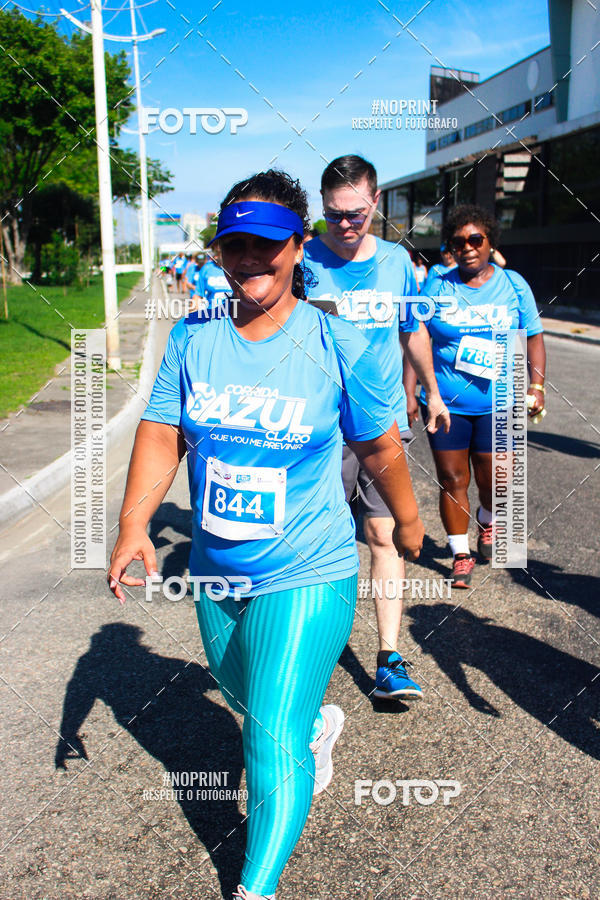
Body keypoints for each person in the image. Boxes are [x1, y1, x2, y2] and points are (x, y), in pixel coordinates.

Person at [108, 169, 424, 900]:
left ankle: (256, 887)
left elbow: (379, 448)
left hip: (309, 566)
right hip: (219, 572)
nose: (249, 259)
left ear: (299, 246)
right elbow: (162, 432)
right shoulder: (194, 337)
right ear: (218, 250)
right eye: (234, 246)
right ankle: (315, 724)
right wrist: (132, 527)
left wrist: (407, 521)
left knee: (267, 738)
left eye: (267, 245)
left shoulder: (340, 343)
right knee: (244, 695)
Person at [304, 154, 449, 702]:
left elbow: (412, 331)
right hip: (319, 428)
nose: (345, 224)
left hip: (384, 422)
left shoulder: (396, 263)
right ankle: (311, 654)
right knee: (322, 541)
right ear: (322, 208)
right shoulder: (303, 262)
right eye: (335, 214)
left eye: (356, 213)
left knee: (383, 536)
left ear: (376, 201)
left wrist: (431, 392)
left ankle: (389, 658)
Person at [403, 203, 546, 588]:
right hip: (447, 402)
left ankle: (487, 518)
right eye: (457, 241)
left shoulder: (514, 284)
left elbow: (533, 336)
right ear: (450, 246)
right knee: (452, 479)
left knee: (498, 482)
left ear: (489, 242)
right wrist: (411, 390)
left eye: (475, 239)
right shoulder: (437, 284)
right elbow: (417, 336)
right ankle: (459, 553)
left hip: (500, 401)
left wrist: (536, 384)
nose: (467, 247)